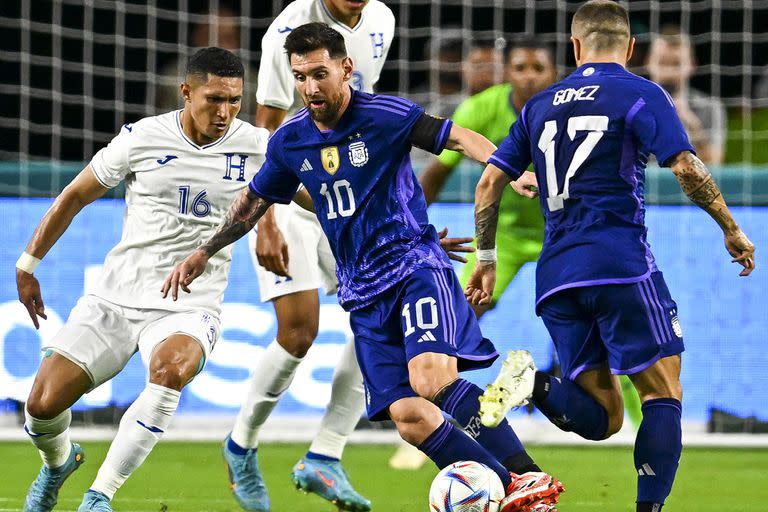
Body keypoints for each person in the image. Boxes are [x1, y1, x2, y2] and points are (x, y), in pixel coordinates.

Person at [164, 22, 565, 512]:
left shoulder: (385, 115)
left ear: (345, 68)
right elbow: (252, 202)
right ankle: (513, 492)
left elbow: (458, 139)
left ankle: (525, 480)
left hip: (415, 267)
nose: (310, 87)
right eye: (300, 77)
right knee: (410, 416)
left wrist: (507, 169)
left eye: (319, 73)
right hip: (363, 293)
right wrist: (204, 251)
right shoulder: (290, 142)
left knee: (431, 379)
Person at [467, 2, 756, 512]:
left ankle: (531, 382)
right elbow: (687, 167)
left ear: (575, 48)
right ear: (630, 48)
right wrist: (730, 228)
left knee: (603, 419)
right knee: (662, 392)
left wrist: (486, 260)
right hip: (621, 264)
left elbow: (490, 180)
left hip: (556, 278)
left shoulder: (538, 106)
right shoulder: (640, 93)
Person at [16, 48, 269, 512]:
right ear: (186, 92)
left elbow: (318, 196)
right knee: (42, 405)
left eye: (235, 100)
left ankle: (99, 497)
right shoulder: (142, 138)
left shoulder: (257, 145)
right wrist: (28, 264)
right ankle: (58, 463)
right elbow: (75, 196)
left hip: (190, 305)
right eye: (214, 99)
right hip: (115, 298)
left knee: (170, 371)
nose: (225, 112)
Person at [222, 1, 395, 511]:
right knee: (299, 331)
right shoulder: (288, 32)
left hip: (350, 196)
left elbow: (360, 112)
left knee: (380, 321)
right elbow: (267, 125)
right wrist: (265, 220)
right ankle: (241, 445)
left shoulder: (382, 19)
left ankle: (326, 455)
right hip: (292, 199)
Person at [155, 5, 258, 119]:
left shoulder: (253, 82)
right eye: (211, 37)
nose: (218, 47)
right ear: (195, 37)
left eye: (227, 39)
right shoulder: (172, 78)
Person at [646, 26, 726, 165]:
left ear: (692, 65)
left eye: (677, 64)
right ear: (648, 63)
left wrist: (691, 122)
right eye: (662, 63)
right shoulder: (631, 105)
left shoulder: (710, 108)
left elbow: (715, 164)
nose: (669, 72)